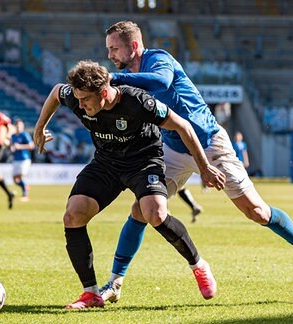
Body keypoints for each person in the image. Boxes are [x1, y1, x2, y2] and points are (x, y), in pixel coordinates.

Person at [99, 20, 293, 303]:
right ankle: (115, 283)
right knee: (141, 208)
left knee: (257, 212)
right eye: (108, 50)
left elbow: (160, 81)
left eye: (114, 49)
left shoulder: (158, 59)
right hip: (174, 148)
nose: (110, 56)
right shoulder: (127, 79)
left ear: (134, 46)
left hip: (211, 143)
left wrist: (116, 79)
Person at [33, 60, 226, 309]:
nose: (79, 105)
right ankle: (90, 294)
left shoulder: (138, 102)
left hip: (143, 161)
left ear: (104, 92)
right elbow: (57, 92)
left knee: (154, 212)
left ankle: (198, 266)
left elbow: (183, 126)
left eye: (85, 100)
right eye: (78, 99)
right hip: (107, 163)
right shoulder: (77, 97)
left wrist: (204, 167)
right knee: (74, 214)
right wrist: (40, 127)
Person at [10, 119, 35, 201]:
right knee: (15, 180)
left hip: (24, 159)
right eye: (17, 126)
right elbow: (12, 146)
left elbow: (31, 146)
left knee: (20, 177)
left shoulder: (25, 135)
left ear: (22, 127)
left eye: (20, 126)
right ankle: (25, 187)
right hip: (16, 159)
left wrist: (20, 146)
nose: (18, 128)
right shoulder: (13, 136)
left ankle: (25, 195)